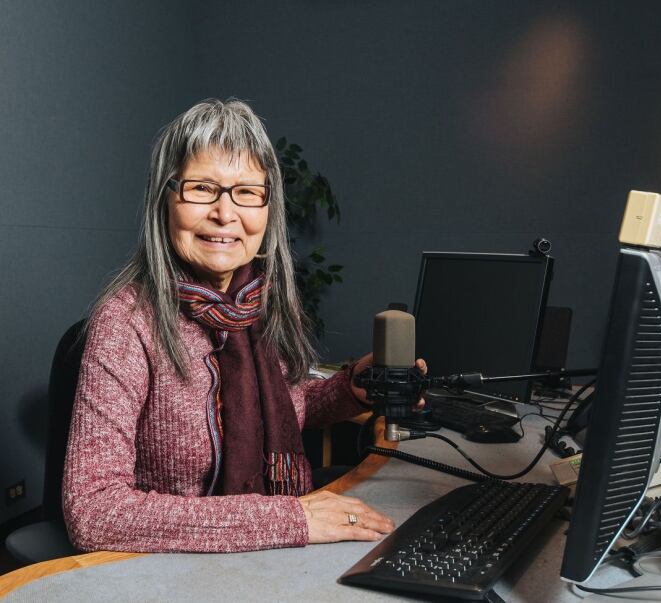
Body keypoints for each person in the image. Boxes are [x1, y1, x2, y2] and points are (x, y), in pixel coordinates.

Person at [63, 99, 426, 553]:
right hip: (168, 572)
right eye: (201, 188)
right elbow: (95, 512)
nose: (225, 213)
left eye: (247, 192)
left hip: (267, 558)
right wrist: (289, 518)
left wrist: (352, 388)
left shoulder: (266, 304)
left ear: (267, 209)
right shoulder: (125, 322)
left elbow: (289, 405)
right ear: (165, 200)